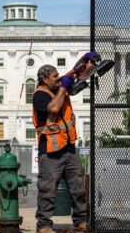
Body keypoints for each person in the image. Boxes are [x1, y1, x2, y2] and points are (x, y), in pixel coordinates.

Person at [33, 63, 88, 233]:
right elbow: (54, 108)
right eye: (54, 77)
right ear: (44, 79)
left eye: (58, 76)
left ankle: (80, 222)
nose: (58, 79)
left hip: (69, 148)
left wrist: (86, 64)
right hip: (50, 151)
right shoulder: (40, 95)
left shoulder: (59, 89)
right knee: (47, 191)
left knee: (78, 188)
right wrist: (63, 86)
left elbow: (78, 78)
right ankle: (44, 225)